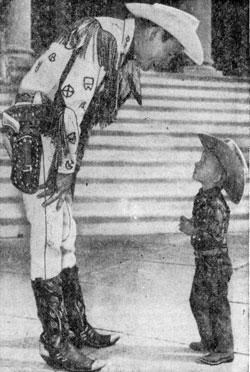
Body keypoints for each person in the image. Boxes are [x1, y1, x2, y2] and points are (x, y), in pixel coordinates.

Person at [1, 3, 203, 372]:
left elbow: (83, 115)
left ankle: (76, 327)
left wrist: (69, 165)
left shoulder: (115, 42)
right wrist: (65, 168)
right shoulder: (102, 36)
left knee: (64, 233)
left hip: (54, 138)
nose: (161, 63)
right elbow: (71, 106)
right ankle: (55, 343)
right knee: (48, 236)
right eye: (169, 52)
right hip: (39, 133)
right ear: (156, 34)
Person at [179, 133, 247, 365]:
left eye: (204, 161)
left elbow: (215, 235)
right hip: (205, 262)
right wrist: (194, 225)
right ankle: (209, 340)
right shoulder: (204, 196)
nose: (197, 163)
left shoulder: (217, 204)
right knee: (197, 300)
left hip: (216, 263)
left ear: (217, 176)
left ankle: (225, 348)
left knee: (217, 305)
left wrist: (193, 230)